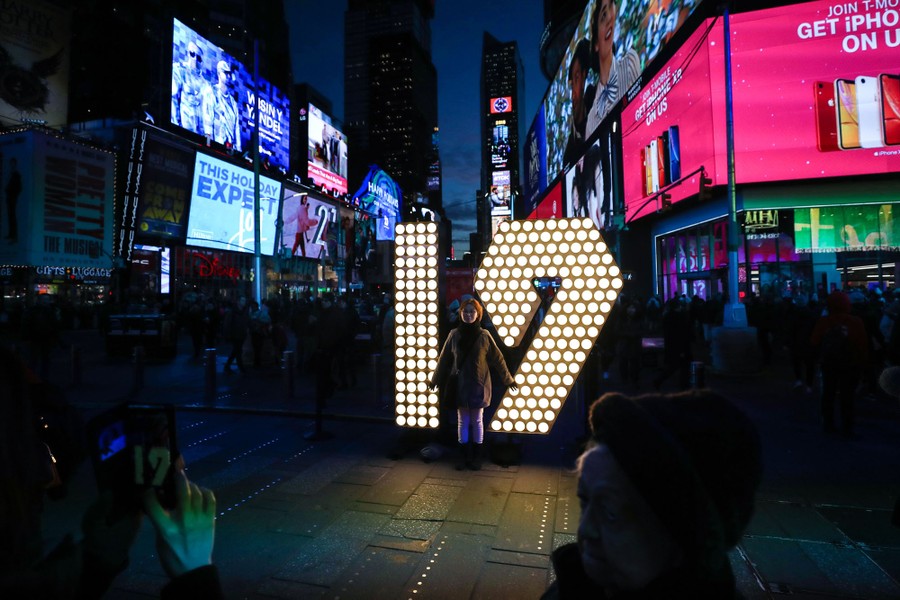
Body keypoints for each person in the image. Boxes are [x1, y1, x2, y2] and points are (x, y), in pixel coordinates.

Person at [542, 390, 762, 599]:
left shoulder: (572, 583)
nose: (585, 530)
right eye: (584, 500)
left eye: (610, 512)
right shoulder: (572, 583)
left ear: (684, 530)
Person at [430, 299, 517, 471]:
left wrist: (508, 379)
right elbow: (444, 358)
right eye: (465, 311)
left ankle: (476, 455)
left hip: (479, 385)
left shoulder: (484, 335)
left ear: (478, 314)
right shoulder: (454, 334)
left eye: (472, 311)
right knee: (463, 421)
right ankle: (464, 455)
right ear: (460, 313)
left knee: (477, 421)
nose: (468, 314)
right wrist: (435, 379)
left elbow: (498, 359)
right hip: (461, 385)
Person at [809, 290, 868, 437]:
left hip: (829, 363)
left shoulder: (824, 322)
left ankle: (828, 424)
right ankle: (847, 427)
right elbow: (862, 344)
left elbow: (814, 342)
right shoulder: (855, 322)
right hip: (850, 363)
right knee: (847, 396)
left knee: (828, 394)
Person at [585, 0, 641, 139]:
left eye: (611, 6)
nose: (610, 16)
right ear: (596, 44)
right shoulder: (592, 118)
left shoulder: (629, 64)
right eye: (603, 15)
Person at [563, 39, 595, 169]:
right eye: (571, 85)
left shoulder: (598, 101)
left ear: (584, 76)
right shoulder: (569, 152)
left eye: (576, 79)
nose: (573, 94)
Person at [201, 60, 241, 151]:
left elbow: (236, 129)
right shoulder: (211, 92)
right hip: (215, 147)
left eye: (229, 73)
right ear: (219, 73)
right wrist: (208, 146)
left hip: (230, 151)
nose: (228, 76)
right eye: (225, 73)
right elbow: (208, 121)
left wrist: (239, 152)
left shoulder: (233, 103)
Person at [171, 41, 209, 134]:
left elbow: (207, 113)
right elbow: (173, 100)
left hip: (199, 135)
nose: (195, 59)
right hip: (182, 131)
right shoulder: (179, 70)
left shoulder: (205, 84)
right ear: (188, 53)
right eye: (192, 54)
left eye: (199, 58)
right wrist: (176, 127)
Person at [4, 157, 21, 242]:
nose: (12, 165)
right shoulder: (10, 174)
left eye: (13, 163)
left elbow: (19, 188)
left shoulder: (17, 175)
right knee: (10, 217)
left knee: (13, 217)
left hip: (13, 198)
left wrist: (14, 195)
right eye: (11, 164)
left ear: (15, 164)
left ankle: (14, 237)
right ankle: (11, 235)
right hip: (9, 198)